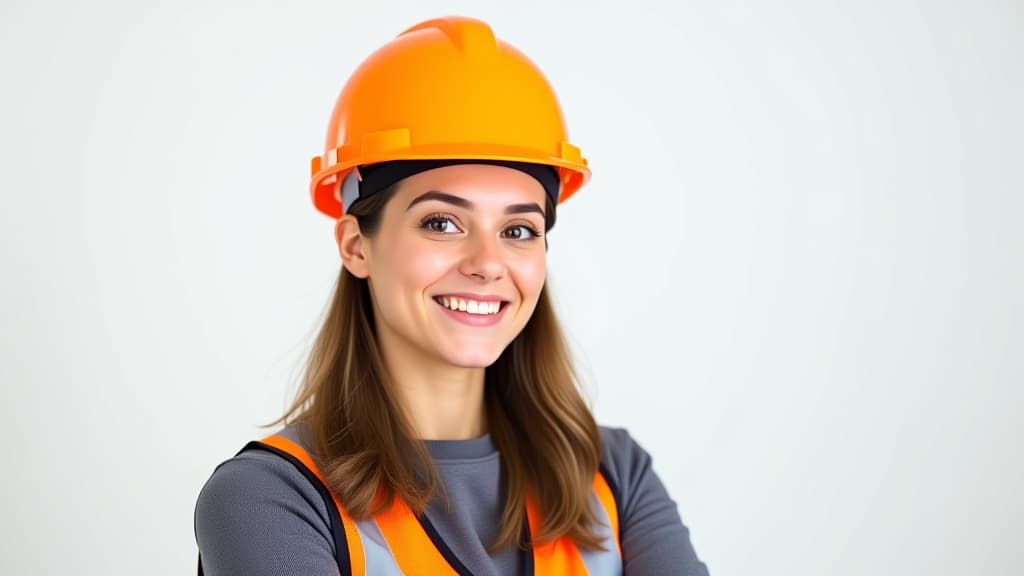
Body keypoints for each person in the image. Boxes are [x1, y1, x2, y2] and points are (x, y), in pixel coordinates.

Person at [194, 15, 709, 576]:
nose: (487, 264)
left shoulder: (614, 476)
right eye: (442, 223)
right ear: (355, 246)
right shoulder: (274, 500)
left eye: (518, 231)